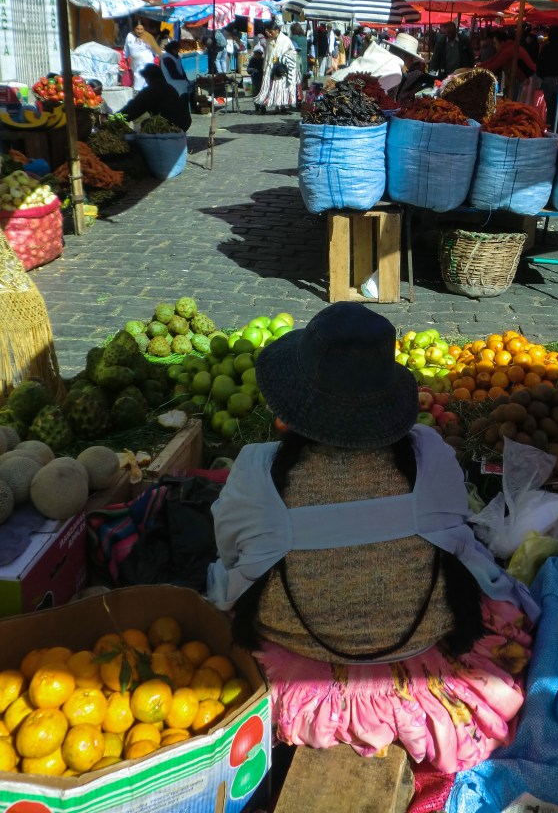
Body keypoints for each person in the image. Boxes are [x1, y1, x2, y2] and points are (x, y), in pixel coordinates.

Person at [207, 302, 535, 775]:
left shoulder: (258, 468)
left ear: (293, 404)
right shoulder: (431, 454)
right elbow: (453, 533)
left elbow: (231, 555)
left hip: (299, 649)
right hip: (424, 645)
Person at [117, 64, 191, 130]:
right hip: (184, 122)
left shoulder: (152, 90)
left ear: (149, 78)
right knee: (146, 122)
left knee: (146, 125)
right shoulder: (169, 87)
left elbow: (134, 109)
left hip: (171, 124)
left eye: (146, 78)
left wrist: (115, 119)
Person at [254, 21, 298, 115]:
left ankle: (281, 105)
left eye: (271, 32)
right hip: (270, 67)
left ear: (277, 30)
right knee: (270, 86)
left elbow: (293, 52)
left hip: (281, 68)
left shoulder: (285, 40)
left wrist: (284, 58)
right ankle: (271, 104)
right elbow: (267, 54)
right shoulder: (269, 40)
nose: (269, 34)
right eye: (267, 32)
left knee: (281, 86)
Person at [477, 29, 536, 94]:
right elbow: (494, 59)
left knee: (525, 102)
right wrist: (478, 68)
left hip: (530, 78)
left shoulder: (509, 49)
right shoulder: (507, 47)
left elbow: (495, 64)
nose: (494, 46)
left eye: (495, 43)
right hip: (526, 78)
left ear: (502, 42)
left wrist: (477, 69)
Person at [387, 32, 435, 101]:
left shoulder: (390, 68)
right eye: (412, 58)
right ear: (406, 56)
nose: (412, 62)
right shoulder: (396, 73)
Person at [536, 25, 558, 128]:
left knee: (550, 107)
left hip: (547, 80)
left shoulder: (545, 48)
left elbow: (539, 66)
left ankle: (549, 128)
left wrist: (542, 77)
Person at [123, 19, 160, 92]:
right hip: (135, 63)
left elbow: (155, 49)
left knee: (141, 78)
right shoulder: (130, 36)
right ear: (134, 28)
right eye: (137, 29)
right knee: (138, 77)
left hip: (146, 61)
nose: (139, 31)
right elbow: (126, 48)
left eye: (141, 29)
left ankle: (139, 93)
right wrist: (125, 57)